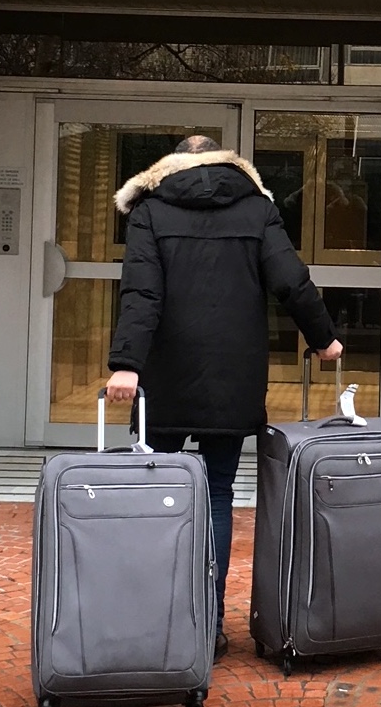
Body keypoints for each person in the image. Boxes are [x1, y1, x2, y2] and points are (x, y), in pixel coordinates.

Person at [104, 135, 342, 662]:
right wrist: (323, 337)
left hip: (163, 379)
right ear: (228, 164)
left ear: (172, 164)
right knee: (215, 495)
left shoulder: (150, 210)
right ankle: (207, 626)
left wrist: (126, 364)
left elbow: (141, 293)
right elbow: (292, 282)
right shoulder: (256, 208)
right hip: (232, 379)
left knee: (155, 499)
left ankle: (160, 623)